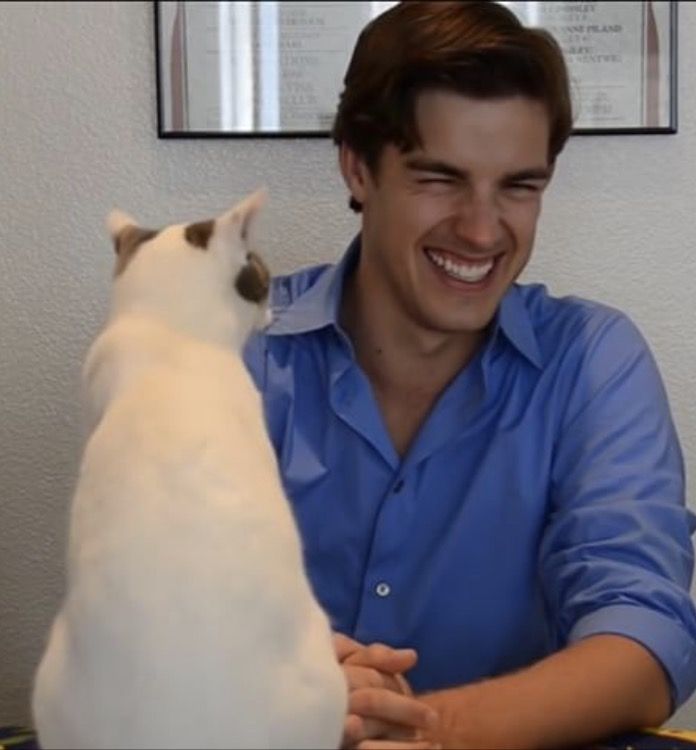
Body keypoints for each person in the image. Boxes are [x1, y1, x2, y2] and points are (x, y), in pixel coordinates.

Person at [243, 2, 696, 748]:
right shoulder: (238, 354)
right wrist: (285, 686)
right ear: (359, 166)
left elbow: (645, 638)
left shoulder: (594, 360)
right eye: (440, 178)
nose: (484, 231)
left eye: (519, 186)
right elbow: (142, 612)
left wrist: (432, 731)